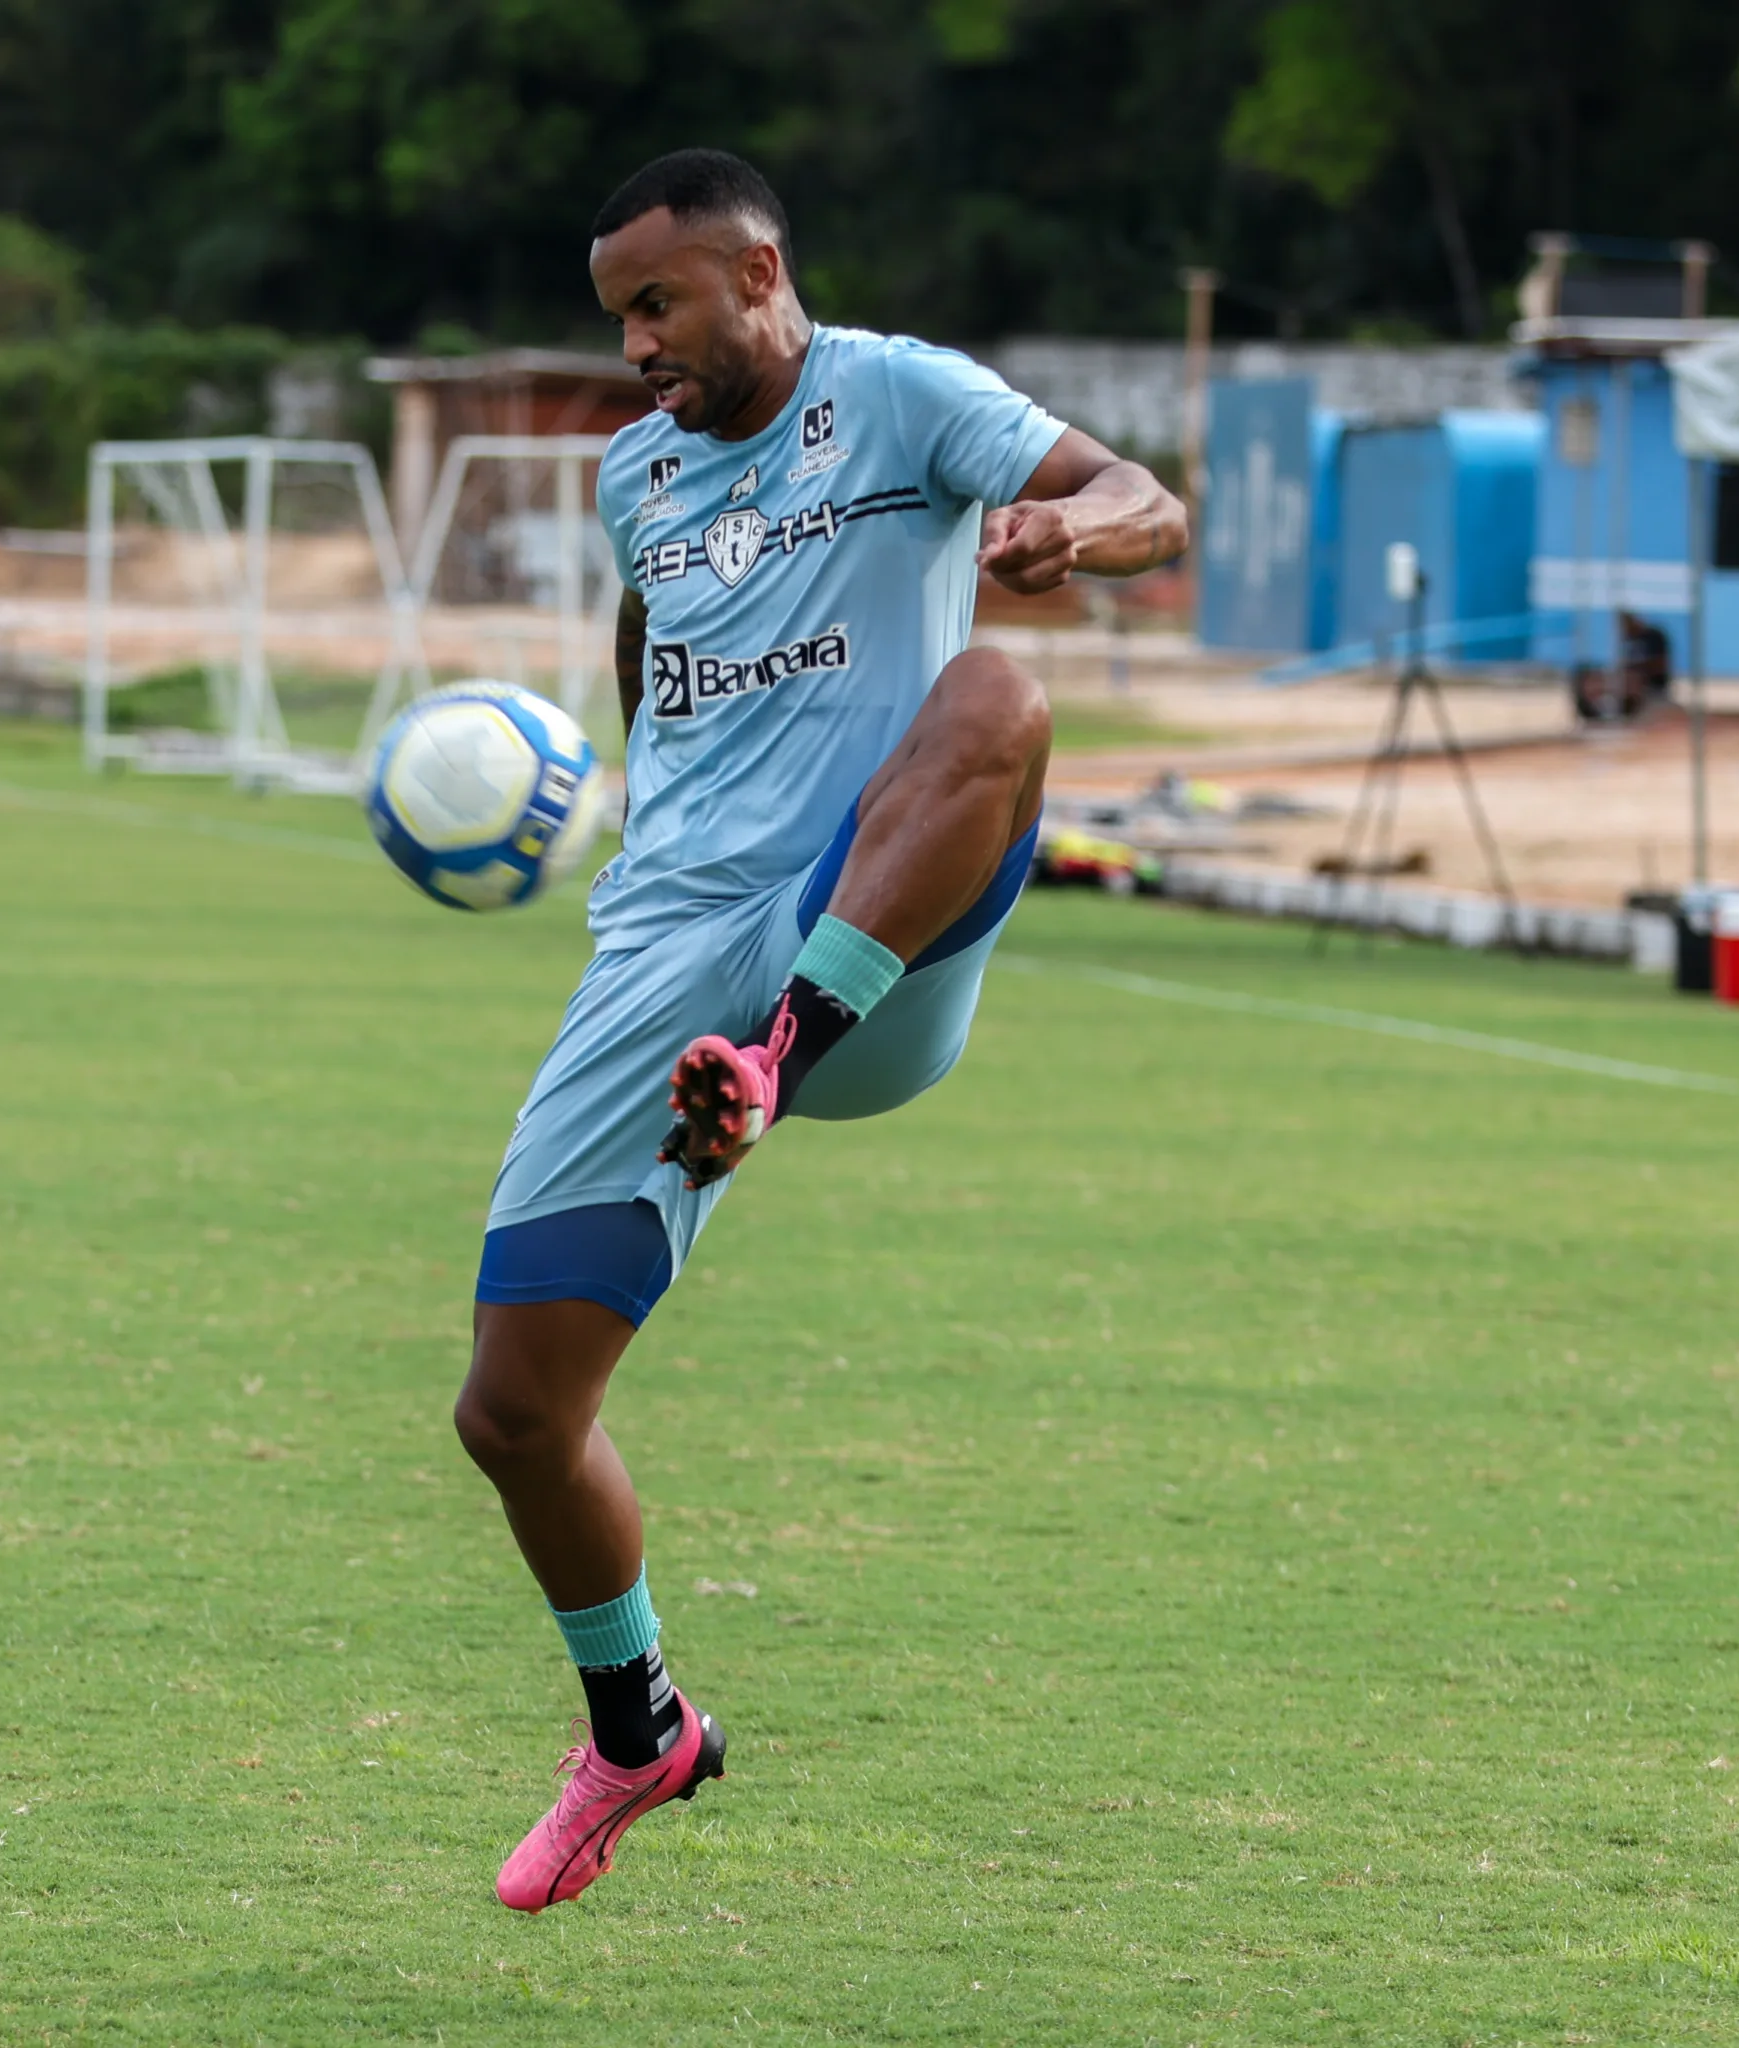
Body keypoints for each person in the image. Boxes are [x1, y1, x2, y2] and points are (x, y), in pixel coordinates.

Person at [455, 149, 1187, 1913]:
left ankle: (772, 1058)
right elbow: (651, 638)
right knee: (514, 1413)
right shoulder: (638, 477)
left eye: (659, 304)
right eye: (617, 314)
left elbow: (1148, 497)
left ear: (758, 270)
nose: (635, 344)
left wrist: (1057, 530)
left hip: (867, 919)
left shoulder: (905, 396)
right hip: (663, 945)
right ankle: (640, 1729)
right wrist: (640, 814)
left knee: (1000, 695)